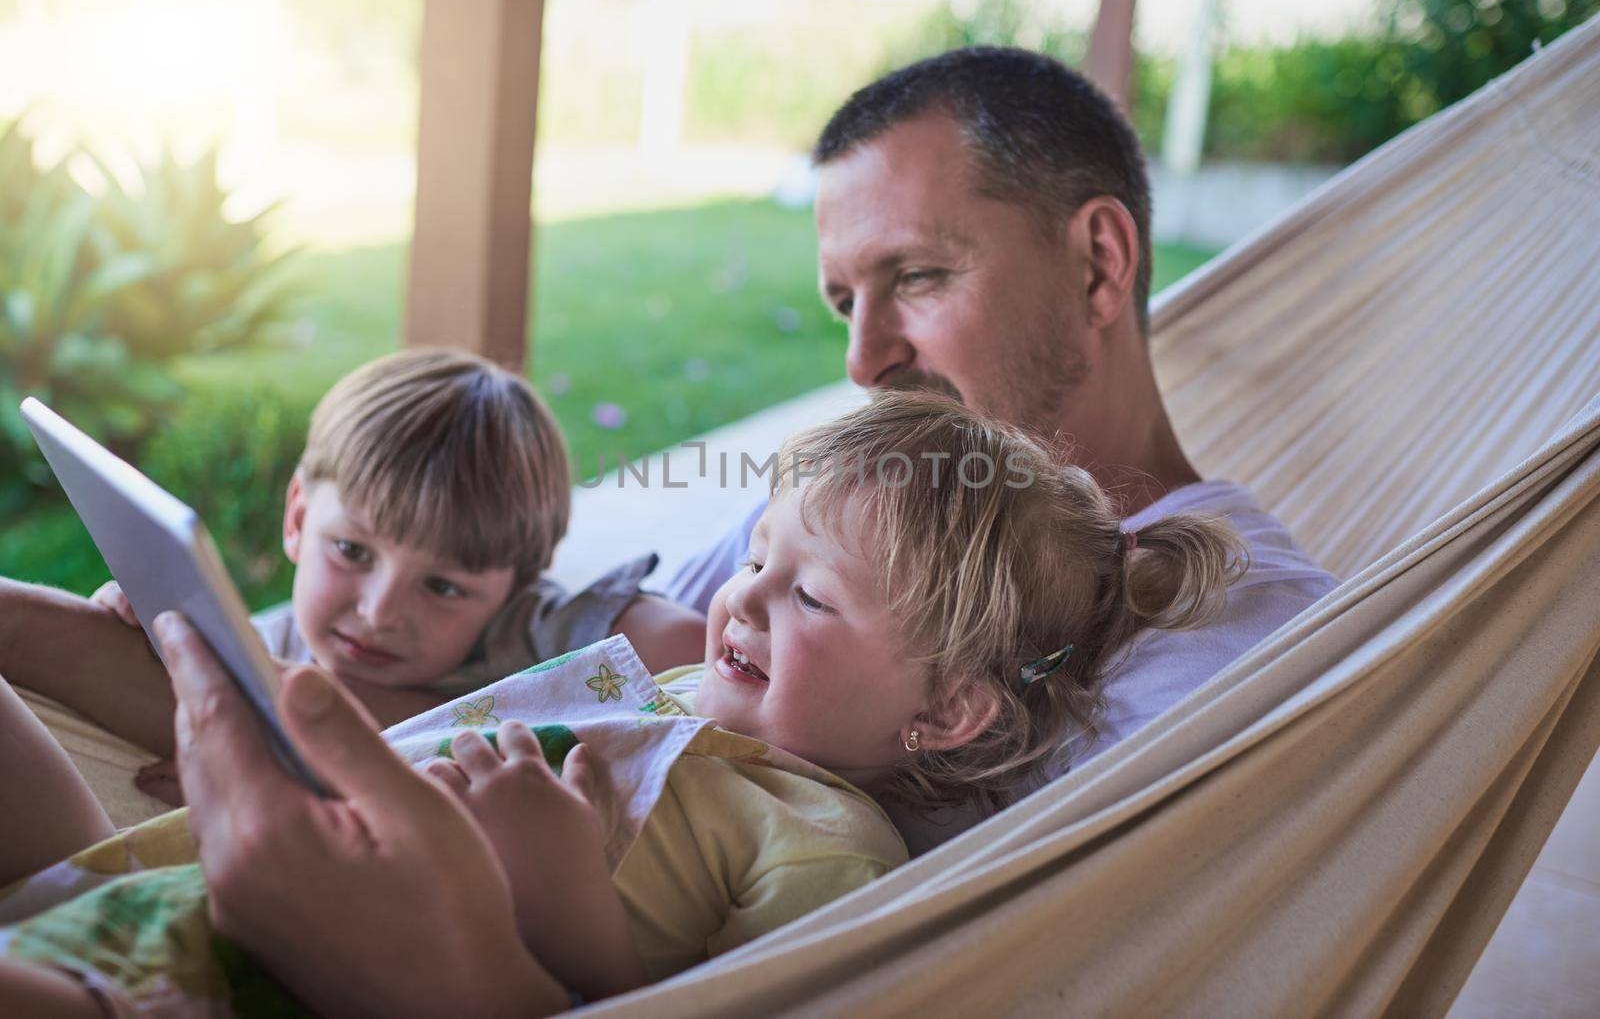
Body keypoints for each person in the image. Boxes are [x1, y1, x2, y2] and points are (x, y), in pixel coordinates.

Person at [0, 393, 1247, 1015]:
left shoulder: (826, 847)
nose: (743, 600)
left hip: (215, 980)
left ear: (947, 714)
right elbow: (414, 738)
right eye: (759, 555)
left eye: (812, 600)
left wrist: (559, 888)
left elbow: (659, 1010)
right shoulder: (655, 691)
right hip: (148, 876)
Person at [666, 47, 1338, 848]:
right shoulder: (863, 503)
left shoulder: (1230, 644)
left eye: (916, 275)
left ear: (1098, 264)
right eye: (845, 302)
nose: (861, 359)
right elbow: (627, 640)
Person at [0, 348, 704, 788]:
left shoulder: (532, 631)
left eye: (444, 585)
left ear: (515, 590)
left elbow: (683, 648)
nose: (377, 610)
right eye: (353, 552)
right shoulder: (268, 642)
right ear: (298, 517)